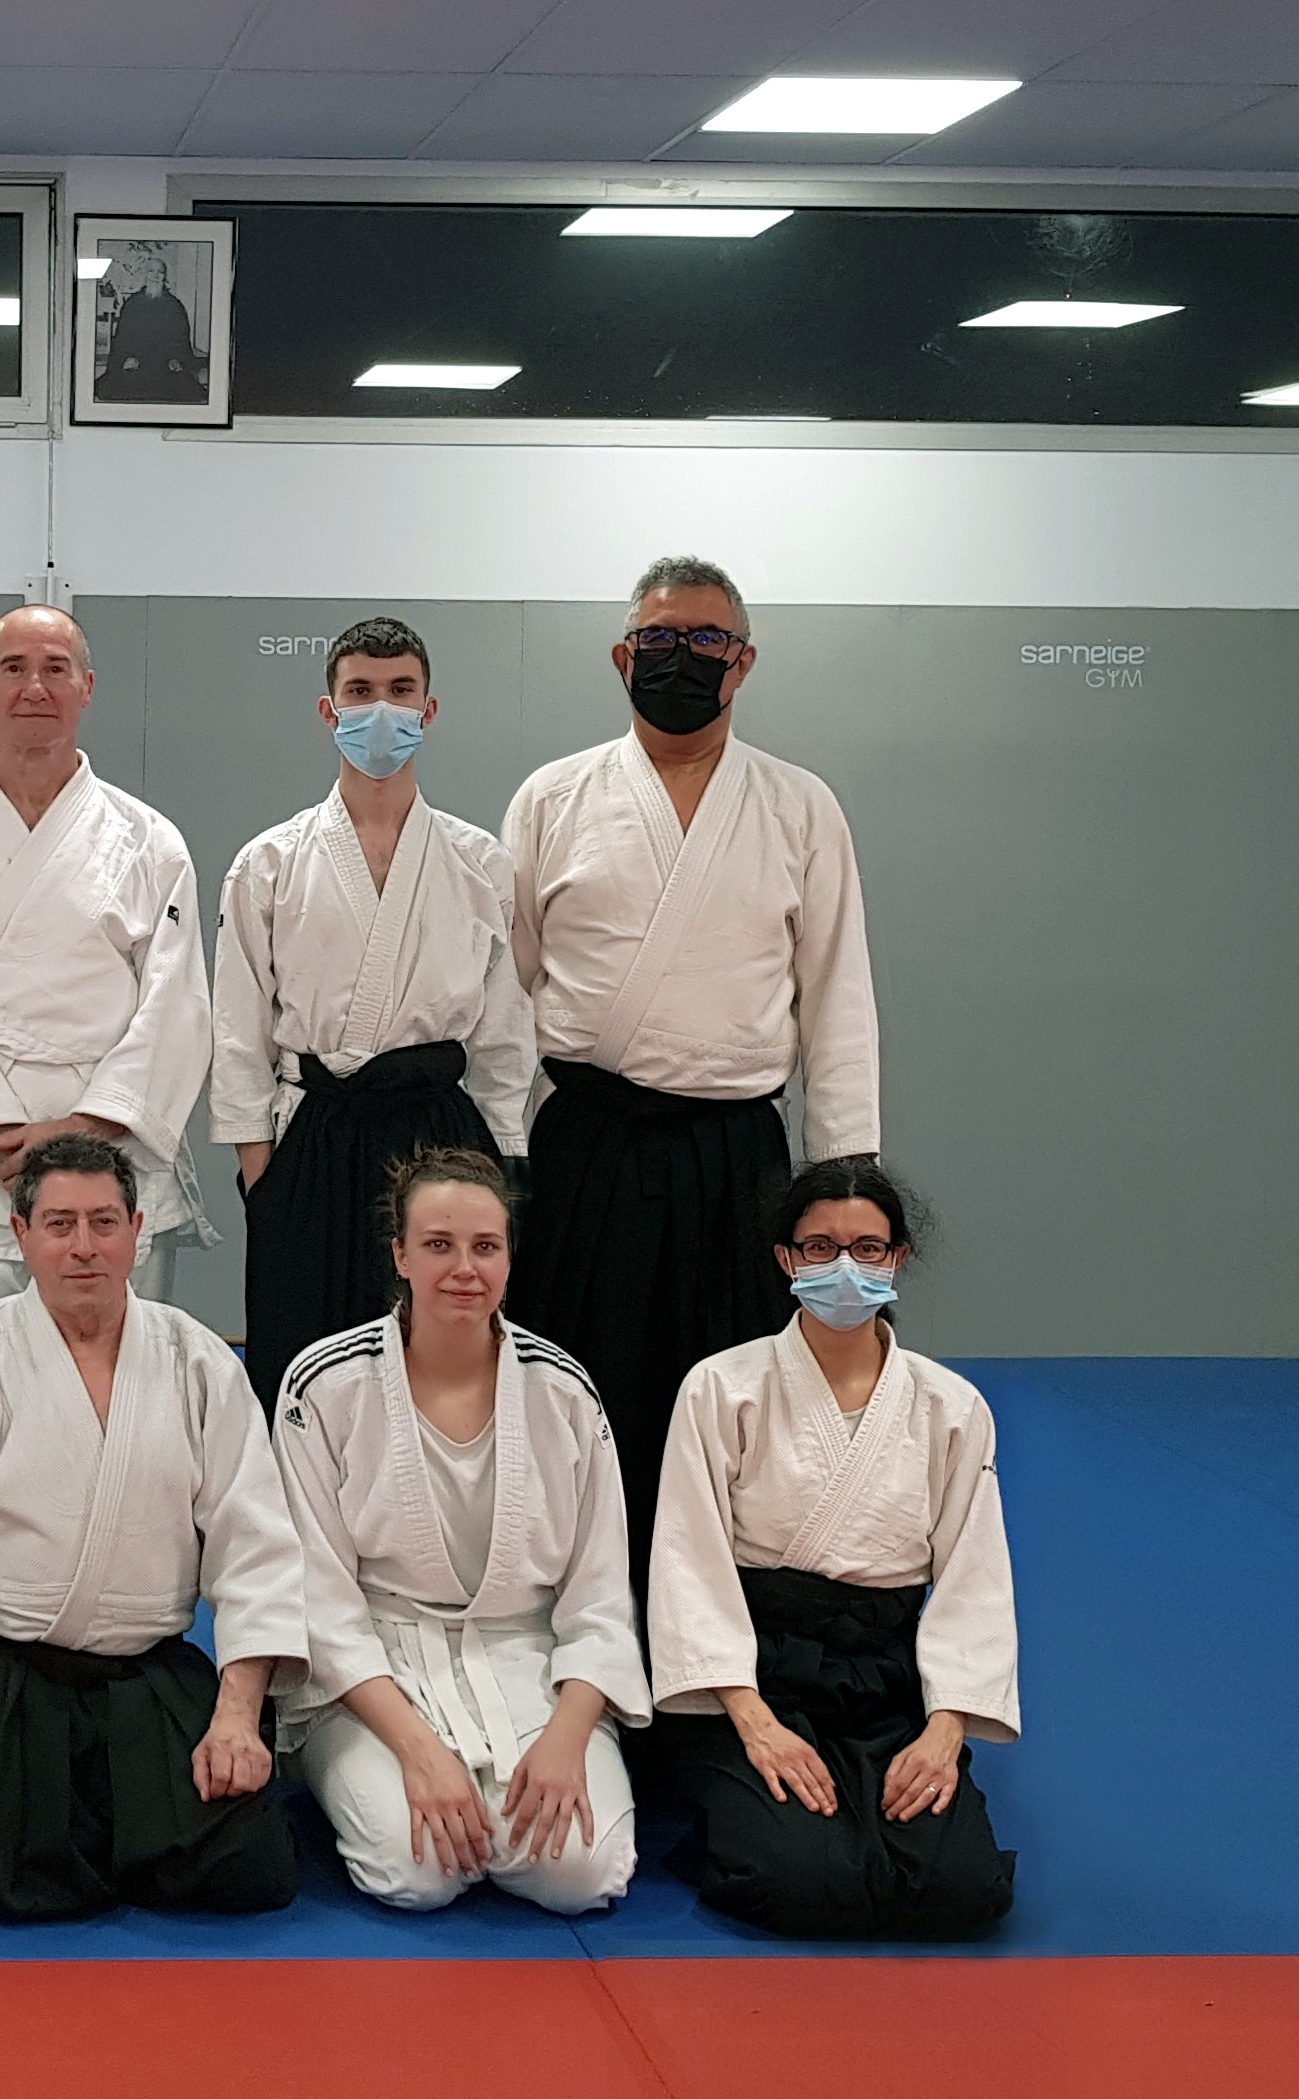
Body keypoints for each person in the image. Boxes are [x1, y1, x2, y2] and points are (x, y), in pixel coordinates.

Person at [502, 555, 879, 1595]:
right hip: (585, 1143)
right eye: (659, 640)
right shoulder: (553, 798)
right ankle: (576, 1605)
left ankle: (715, 1612)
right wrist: (501, 1158)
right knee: (575, 1387)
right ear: (622, 657)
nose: (681, 658)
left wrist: (845, 1191)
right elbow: (502, 994)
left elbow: (838, 1000)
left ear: (743, 662)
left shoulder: (800, 806)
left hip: (735, 1155)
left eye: (707, 640)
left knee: (734, 1393)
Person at [0, 1132, 304, 1921]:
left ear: (137, 1230)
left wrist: (237, 1719)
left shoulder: (199, 1362)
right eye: (59, 1224)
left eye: (104, 1222)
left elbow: (256, 1549)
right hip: (7, 1675)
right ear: (22, 1235)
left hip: (148, 1675)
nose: (83, 1246)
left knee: (248, 1865)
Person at [645, 1159, 1018, 1941]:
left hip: (886, 1680)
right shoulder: (721, 1387)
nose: (844, 1266)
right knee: (805, 1883)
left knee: (959, 1891)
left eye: (867, 1248)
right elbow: (689, 1562)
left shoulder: (951, 1406)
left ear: (897, 1259)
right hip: (758, 1675)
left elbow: (974, 1580)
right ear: (786, 1259)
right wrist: (753, 1722)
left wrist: (944, 1732)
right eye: (820, 1247)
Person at [274, 1149, 645, 1916]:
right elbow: (319, 1600)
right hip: (375, 1670)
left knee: (581, 1875)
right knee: (417, 1872)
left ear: (509, 1257)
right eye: (439, 1245)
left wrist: (568, 1737)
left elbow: (600, 1596)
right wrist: (418, 1752)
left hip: (527, 1656)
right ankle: (355, 1770)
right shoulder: (326, 1384)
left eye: (485, 1246)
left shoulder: (563, 1391)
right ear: (401, 1256)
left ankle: (505, 1793)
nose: (464, 1269)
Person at [214, 616, 538, 1414]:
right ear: (329, 710)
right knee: (305, 1359)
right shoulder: (270, 862)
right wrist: (265, 1180)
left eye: (400, 691)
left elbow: (504, 1037)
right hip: (315, 1136)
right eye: (360, 691)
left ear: (429, 710)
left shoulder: (479, 861)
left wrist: (503, 1167)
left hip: (442, 1134)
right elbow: (238, 1034)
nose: (381, 710)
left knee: (443, 1358)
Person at [0, 603, 213, 1371]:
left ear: (87, 687)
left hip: (109, 1161)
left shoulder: (149, 843)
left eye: (56, 669)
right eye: (15, 668)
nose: (35, 686)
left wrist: (83, 1133)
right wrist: (8, 1140)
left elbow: (175, 1008)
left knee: (118, 1384)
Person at [97, 244, 206, 407]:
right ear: (145, 275)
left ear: (164, 277)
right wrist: (126, 358)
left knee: (181, 386)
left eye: (160, 272)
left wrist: (176, 359)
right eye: (151, 271)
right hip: (137, 360)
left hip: (164, 362)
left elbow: (181, 339)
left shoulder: (174, 305)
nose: (155, 275)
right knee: (119, 384)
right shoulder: (133, 303)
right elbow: (122, 337)